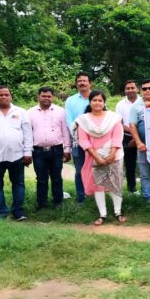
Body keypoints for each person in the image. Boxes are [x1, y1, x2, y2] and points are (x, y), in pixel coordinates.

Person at [0, 86, 33, 221]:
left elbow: (27, 133)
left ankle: (18, 211)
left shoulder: (20, 112)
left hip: (17, 155)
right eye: (0, 95)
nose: (3, 97)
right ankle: (1, 212)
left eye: (6, 95)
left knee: (18, 184)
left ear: (11, 96)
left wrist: (28, 152)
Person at [76, 91, 126, 225]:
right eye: (94, 100)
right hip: (94, 156)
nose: (97, 102)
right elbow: (83, 140)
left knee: (115, 184)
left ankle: (118, 212)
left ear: (104, 103)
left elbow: (117, 137)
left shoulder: (113, 118)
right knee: (98, 185)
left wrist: (111, 155)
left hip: (114, 156)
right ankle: (102, 214)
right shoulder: (83, 120)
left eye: (100, 100)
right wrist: (97, 157)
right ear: (90, 102)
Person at [28, 87, 72, 209]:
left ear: (52, 98)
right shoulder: (30, 113)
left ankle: (58, 203)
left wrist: (67, 149)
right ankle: (42, 204)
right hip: (38, 151)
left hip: (56, 150)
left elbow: (65, 131)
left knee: (57, 177)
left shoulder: (60, 112)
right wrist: (27, 151)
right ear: (38, 97)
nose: (46, 98)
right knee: (41, 179)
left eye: (49, 96)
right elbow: (28, 134)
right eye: (43, 96)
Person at [65, 71, 92, 203]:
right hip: (77, 141)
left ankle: (94, 196)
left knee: (95, 169)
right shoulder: (70, 101)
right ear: (76, 84)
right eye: (79, 81)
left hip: (95, 141)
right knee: (79, 170)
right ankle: (81, 198)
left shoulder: (96, 98)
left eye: (84, 80)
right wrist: (78, 135)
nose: (82, 83)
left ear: (90, 83)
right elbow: (69, 120)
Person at [115, 80, 142, 195]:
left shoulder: (143, 101)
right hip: (126, 138)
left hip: (143, 136)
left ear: (137, 89)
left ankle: (147, 189)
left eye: (132, 88)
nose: (130, 90)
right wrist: (133, 134)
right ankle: (132, 189)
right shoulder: (120, 105)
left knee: (145, 163)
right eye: (128, 88)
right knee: (130, 165)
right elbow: (118, 123)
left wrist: (137, 137)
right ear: (125, 90)